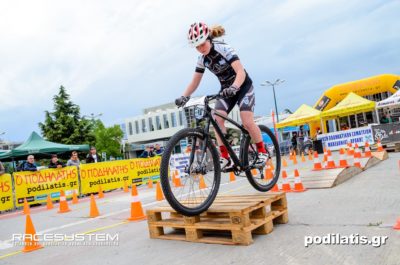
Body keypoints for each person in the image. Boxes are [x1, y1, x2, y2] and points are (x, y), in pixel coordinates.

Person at [175, 22, 268, 170]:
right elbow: (195, 82)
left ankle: (262, 151)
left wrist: (235, 87)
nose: (200, 48)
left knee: (247, 121)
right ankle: (226, 158)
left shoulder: (224, 48)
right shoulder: (202, 59)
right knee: (217, 119)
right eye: (197, 47)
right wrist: (183, 97)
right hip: (226, 90)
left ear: (208, 38)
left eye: (202, 44)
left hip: (243, 86)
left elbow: (240, 72)